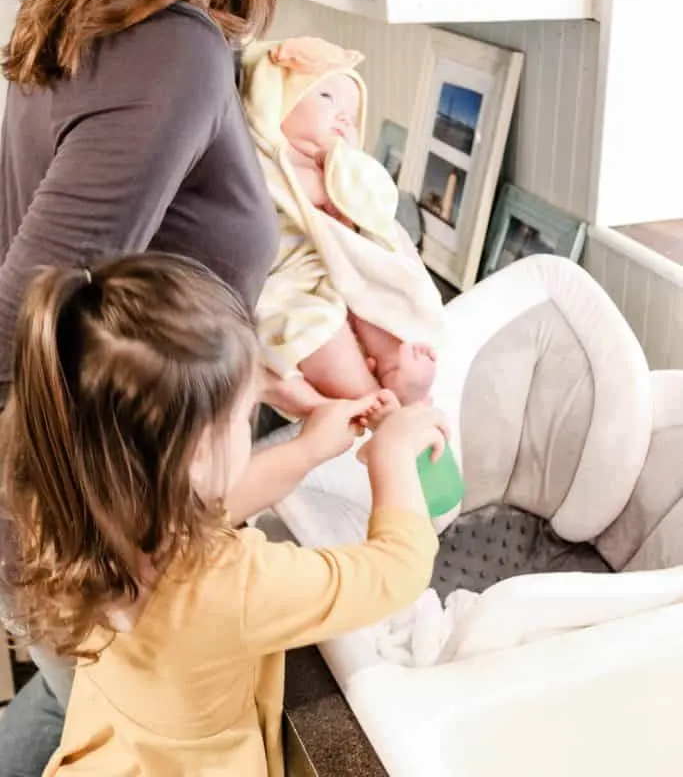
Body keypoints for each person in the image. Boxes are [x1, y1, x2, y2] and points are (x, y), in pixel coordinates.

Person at [0, 0, 438, 771]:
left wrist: (246, 376)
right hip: (83, 517)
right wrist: (146, 531)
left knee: (87, 719)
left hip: (71, 506)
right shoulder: (172, 48)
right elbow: (32, 311)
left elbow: (123, 274)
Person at [0, 253, 444, 776]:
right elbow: (397, 570)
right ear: (193, 457)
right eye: (245, 414)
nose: (252, 421)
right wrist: (393, 454)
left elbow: (197, 509)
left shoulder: (66, 501)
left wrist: (306, 450)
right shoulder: (232, 584)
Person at [241, 36, 446, 413]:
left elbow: (375, 200)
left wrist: (346, 172)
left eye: (352, 114)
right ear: (276, 101)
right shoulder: (262, 156)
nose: (344, 117)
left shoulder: (339, 166)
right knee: (315, 328)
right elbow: (286, 187)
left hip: (338, 263)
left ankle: (393, 364)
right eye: (326, 97)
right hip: (288, 280)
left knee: (372, 299)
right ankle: (368, 397)